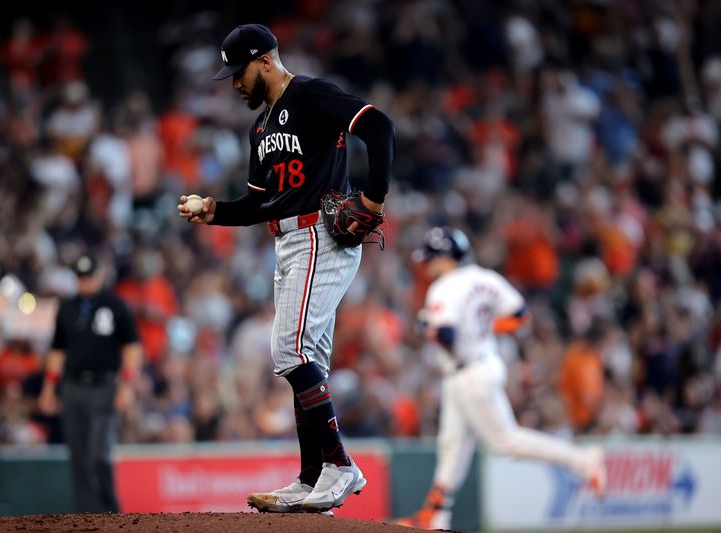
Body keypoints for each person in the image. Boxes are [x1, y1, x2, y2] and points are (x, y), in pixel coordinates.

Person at [177, 23, 395, 513]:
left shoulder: (311, 95)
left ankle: (340, 466)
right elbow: (259, 205)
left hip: (321, 234)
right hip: (288, 241)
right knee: (306, 360)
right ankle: (311, 475)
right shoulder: (260, 128)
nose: (235, 84)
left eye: (239, 72)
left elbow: (378, 127)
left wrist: (373, 199)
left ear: (265, 60)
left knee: (289, 350)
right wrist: (214, 209)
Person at [395, 227, 606, 530]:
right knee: (452, 445)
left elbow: (447, 335)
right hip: (481, 364)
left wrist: (427, 326)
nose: (426, 264)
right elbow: (521, 315)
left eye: (431, 258)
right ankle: (435, 514)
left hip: (469, 371)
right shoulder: (487, 279)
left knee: (505, 441)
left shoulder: (443, 288)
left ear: (446, 256)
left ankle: (584, 461)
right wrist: (484, 329)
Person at [38, 252, 142, 513]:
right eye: (80, 278)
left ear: (100, 275)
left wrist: (127, 385)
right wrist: (50, 387)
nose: (85, 283)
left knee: (99, 454)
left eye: (89, 277)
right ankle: (86, 517)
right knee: (78, 456)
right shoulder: (67, 307)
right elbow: (57, 349)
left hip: (104, 386)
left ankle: (111, 511)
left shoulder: (115, 305)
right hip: (73, 387)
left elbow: (132, 347)